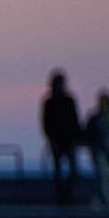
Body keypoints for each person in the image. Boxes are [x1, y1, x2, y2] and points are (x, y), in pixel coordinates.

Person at [40, 69, 83, 204]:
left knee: (73, 170)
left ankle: (66, 194)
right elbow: (45, 122)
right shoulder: (49, 102)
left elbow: (75, 120)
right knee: (58, 170)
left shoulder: (69, 100)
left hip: (69, 139)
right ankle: (62, 195)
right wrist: (50, 138)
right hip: (56, 140)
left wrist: (77, 137)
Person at [86, 88, 109, 209]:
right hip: (97, 148)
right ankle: (108, 199)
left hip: (108, 148)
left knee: (103, 174)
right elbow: (88, 131)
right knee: (103, 173)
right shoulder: (95, 117)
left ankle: (97, 199)